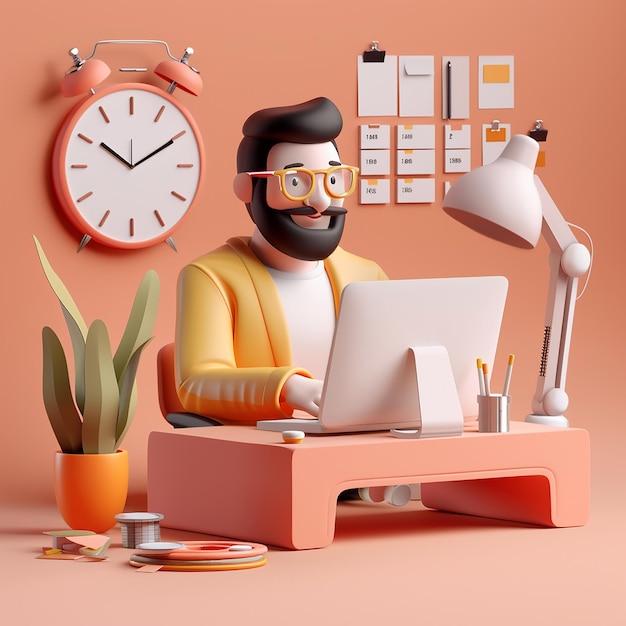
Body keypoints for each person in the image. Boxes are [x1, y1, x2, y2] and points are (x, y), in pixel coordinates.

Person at [175, 97, 387, 425]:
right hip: (267, 448)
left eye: (333, 179)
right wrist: (289, 388)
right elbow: (196, 383)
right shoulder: (211, 277)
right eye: (295, 181)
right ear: (247, 187)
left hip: (359, 443)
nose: (320, 200)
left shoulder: (367, 275)